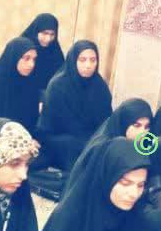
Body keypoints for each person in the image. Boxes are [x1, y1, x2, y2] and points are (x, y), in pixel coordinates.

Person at [37, 40, 113, 173]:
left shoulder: (99, 86)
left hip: (89, 137)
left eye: (93, 60)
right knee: (74, 145)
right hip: (59, 137)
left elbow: (106, 121)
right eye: (82, 60)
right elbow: (53, 125)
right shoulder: (58, 86)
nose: (88, 65)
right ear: (73, 61)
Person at [83, 98, 153, 155]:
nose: (143, 133)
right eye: (137, 126)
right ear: (123, 124)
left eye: (147, 127)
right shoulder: (103, 148)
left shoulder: (141, 146)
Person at [21, 13, 65, 96]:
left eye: (52, 34)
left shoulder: (55, 51)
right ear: (36, 31)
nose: (48, 39)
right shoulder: (22, 48)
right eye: (45, 33)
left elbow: (60, 78)